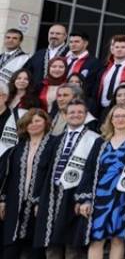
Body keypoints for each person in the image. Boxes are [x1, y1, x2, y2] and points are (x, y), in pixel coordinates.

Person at [33, 99, 101, 257]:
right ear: (64, 115)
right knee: (51, 246)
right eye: (72, 112)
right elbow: (42, 170)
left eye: (80, 112)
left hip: (75, 196)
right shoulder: (54, 140)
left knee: (73, 247)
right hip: (51, 197)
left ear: (85, 115)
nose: (75, 115)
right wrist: (37, 199)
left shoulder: (95, 140)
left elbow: (94, 171)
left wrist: (86, 198)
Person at [78, 105, 125, 259]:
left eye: (124, 116)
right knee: (96, 239)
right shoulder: (100, 142)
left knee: (118, 239)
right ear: (111, 119)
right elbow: (88, 171)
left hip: (123, 199)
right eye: (117, 116)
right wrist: (85, 199)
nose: (120, 119)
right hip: (99, 197)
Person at [1, 109, 54, 259]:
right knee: (10, 248)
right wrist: (3, 200)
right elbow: (7, 176)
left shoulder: (54, 145)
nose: (33, 124)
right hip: (16, 203)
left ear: (45, 122)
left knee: (36, 249)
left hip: (40, 205)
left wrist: (41, 201)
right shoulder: (17, 149)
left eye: (38, 121)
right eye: (30, 122)